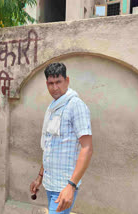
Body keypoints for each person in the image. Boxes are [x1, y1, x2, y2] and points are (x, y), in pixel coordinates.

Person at [29, 63, 93, 214]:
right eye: (51, 83)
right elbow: (49, 147)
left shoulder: (75, 105)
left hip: (64, 187)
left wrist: (71, 186)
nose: (55, 87)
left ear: (67, 80)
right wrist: (39, 177)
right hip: (50, 184)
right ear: (47, 84)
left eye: (58, 82)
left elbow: (87, 148)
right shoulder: (53, 107)